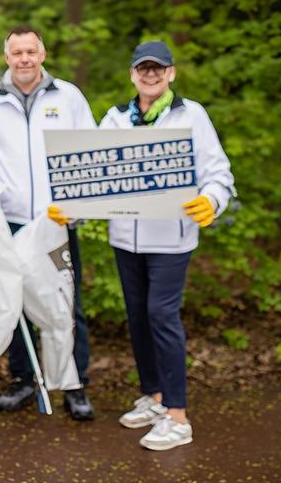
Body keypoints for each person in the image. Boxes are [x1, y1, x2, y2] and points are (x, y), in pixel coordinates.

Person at [97, 40, 235, 450]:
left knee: (161, 314)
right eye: (144, 68)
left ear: (171, 73)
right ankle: (155, 397)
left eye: (159, 68)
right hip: (126, 238)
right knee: (139, 317)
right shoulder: (115, 118)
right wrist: (71, 208)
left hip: (172, 238)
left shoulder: (192, 115)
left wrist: (211, 201)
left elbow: (219, 173)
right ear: (132, 74)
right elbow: (94, 175)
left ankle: (178, 416)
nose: (151, 74)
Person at [0, 25, 97, 421]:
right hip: (8, 221)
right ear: (6, 57)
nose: (24, 59)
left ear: (42, 54)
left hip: (56, 219)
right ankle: (23, 379)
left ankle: (74, 384)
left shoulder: (68, 97)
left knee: (66, 303)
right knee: (16, 302)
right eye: (17, 53)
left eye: (31, 51)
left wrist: (76, 204)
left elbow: (89, 152)